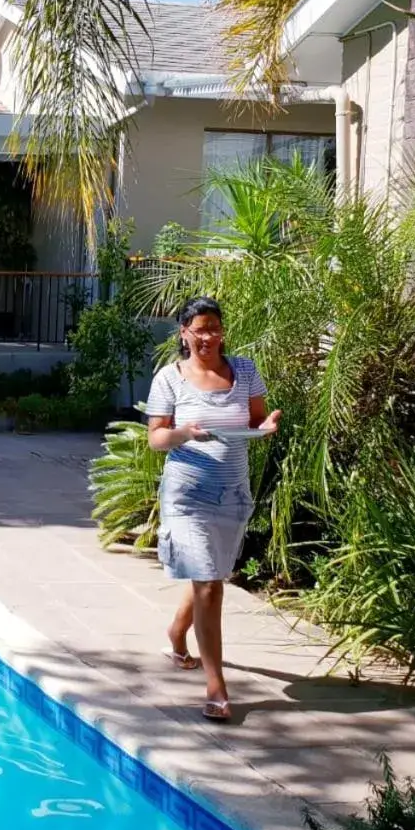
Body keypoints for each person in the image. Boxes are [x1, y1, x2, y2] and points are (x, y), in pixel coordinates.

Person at [146, 296, 281, 723]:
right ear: (183, 333)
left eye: (214, 328)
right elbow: (156, 440)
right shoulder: (170, 378)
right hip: (186, 495)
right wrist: (184, 432)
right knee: (209, 584)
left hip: (232, 492)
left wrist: (268, 428)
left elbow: (256, 421)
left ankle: (175, 633)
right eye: (199, 329)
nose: (208, 337)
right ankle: (217, 688)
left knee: (211, 575)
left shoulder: (244, 370)